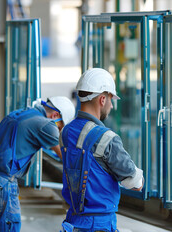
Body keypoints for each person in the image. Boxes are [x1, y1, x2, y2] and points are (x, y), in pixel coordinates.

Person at [0, 96, 75, 232]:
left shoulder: (20, 114)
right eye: (60, 127)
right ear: (55, 115)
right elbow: (67, 157)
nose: (59, 131)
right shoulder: (47, 125)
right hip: (1, 185)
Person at [60, 68, 144, 232]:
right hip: (99, 225)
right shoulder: (106, 138)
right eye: (111, 100)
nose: (112, 106)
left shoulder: (65, 132)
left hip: (73, 222)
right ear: (102, 99)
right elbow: (134, 181)